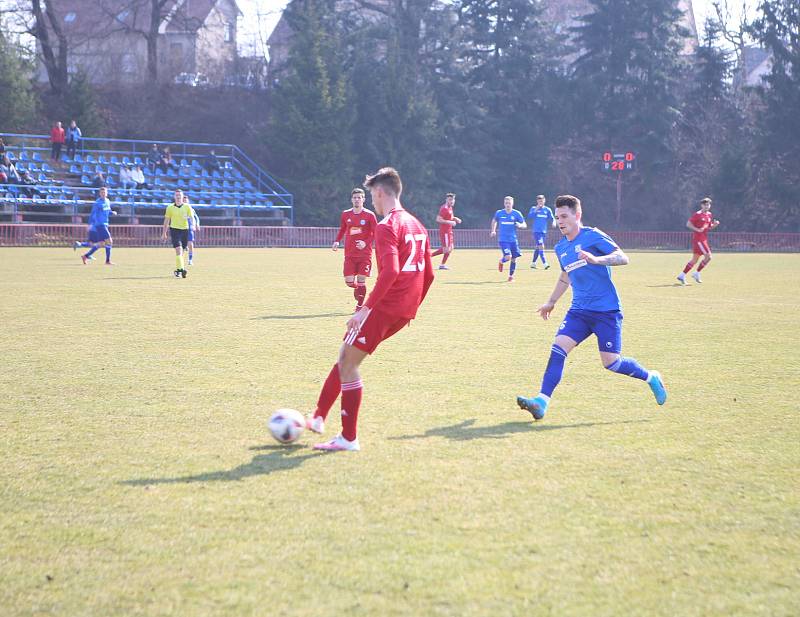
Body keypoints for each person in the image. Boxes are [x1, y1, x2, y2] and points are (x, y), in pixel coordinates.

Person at [307, 167, 434, 451]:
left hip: (386, 306)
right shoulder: (417, 225)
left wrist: (364, 308)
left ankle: (348, 438)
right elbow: (430, 275)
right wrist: (412, 307)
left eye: (371, 196)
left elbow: (390, 271)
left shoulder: (387, 226)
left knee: (348, 364)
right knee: (346, 355)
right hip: (403, 309)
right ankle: (317, 417)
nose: (372, 203)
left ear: (379, 193)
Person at [516, 194, 667, 421]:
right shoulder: (560, 248)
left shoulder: (592, 236)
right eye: (557, 217)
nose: (560, 222)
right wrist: (551, 302)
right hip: (579, 312)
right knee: (558, 349)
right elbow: (565, 275)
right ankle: (541, 402)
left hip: (606, 311)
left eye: (565, 216)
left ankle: (650, 377)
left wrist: (597, 260)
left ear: (578, 215)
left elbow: (622, 257)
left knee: (612, 363)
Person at [332, 188, 378, 311]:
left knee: (362, 280)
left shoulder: (369, 215)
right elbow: (342, 229)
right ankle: (359, 289)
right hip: (350, 253)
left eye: (359, 197)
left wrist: (365, 242)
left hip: (364, 254)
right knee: (349, 282)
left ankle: (360, 305)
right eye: (355, 197)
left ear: (363, 199)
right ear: (351, 199)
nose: (357, 199)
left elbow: (375, 232)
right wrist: (337, 241)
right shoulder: (346, 214)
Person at [677, 197, 720, 285]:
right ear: (702, 205)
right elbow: (688, 224)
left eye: (709, 204)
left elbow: (708, 227)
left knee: (694, 260)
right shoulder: (697, 214)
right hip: (699, 239)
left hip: (703, 238)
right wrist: (697, 229)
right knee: (708, 257)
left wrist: (714, 225)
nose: (707, 206)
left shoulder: (709, 214)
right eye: (705, 205)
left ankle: (682, 275)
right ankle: (696, 273)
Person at [490, 196, 526, 282]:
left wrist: (520, 225)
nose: (508, 205)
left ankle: (511, 276)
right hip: (503, 240)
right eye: (506, 203)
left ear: (512, 204)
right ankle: (501, 261)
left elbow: (524, 224)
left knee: (514, 258)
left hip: (513, 240)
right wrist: (493, 230)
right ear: (504, 204)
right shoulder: (499, 213)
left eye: (509, 203)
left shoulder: (517, 213)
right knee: (508, 257)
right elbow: (494, 220)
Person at [78, 187, 117, 265]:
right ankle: (107, 261)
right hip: (100, 224)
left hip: (105, 224)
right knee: (109, 241)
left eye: (105, 192)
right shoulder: (97, 203)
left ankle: (86, 256)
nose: (103, 194)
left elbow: (107, 211)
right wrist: (90, 224)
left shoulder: (107, 201)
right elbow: (92, 214)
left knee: (101, 243)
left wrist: (112, 212)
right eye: (102, 193)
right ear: (100, 193)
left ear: (107, 193)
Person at [161, 189, 195, 278]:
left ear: (182, 196)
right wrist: (164, 233)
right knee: (179, 250)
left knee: (182, 252)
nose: (178, 197)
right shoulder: (170, 207)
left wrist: (193, 225)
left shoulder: (187, 207)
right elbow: (166, 221)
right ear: (174, 197)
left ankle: (178, 270)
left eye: (180, 195)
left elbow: (192, 218)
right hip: (175, 230)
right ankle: (182, 270)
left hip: (185, 230)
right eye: (177, 195)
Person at [431, 192, 461, 270]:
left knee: (450, 248)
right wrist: (450, 222)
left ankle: (442, 265)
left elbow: (450, 216)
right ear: (446, 200)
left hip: (449, 231)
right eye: (450, 200)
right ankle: (427, 256)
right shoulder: (444, 208)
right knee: (446, 249)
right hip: (445, 232)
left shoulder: (450, 208)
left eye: (453, 200)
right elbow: (438, 219)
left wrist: (455, 218)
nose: (451, 201)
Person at [527, 194, 555, 269]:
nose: (540, 202)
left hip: (544, 232)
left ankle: (533, 263)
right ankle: (545, 263)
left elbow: (552, 218)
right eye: (539, 201)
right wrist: (536, 210)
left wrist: (554, 222)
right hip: (536, 231)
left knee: (538, 247)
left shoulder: (547, 210)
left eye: (542, 201)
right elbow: (529, 216)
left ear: (544, 201)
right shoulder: (533, 208)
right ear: (537, 201)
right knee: (541, 246)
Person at [186, 195, 200, 266]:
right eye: (184, 201)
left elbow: (196, 217)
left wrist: (197, 224)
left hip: (189, 228)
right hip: (181, 228)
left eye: (186, 201)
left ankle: (190, 260)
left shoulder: (191, 209)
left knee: (190, 244)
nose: (185, 202)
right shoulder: (179, 209)